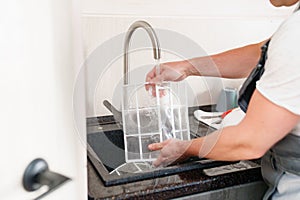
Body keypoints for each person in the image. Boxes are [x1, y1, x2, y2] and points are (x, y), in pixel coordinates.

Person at [146, 0, 300, 199]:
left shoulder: (295, 35)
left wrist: (185, 147)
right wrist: (187, 67)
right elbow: (263, 53)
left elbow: (248, 141)